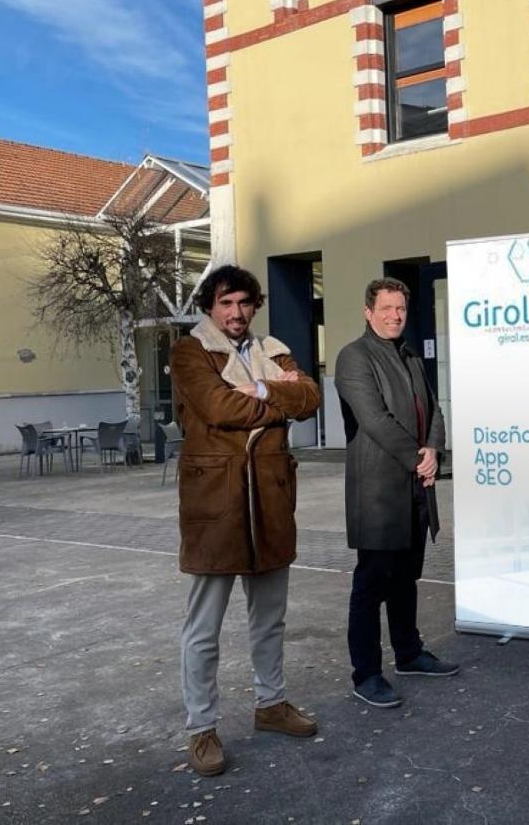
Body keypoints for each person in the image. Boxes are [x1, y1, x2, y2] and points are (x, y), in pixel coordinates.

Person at [171, 265, 322, 777]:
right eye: (225, 303)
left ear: (255, 305)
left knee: (270, 617)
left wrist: (258, 391)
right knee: (204, 627)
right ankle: (201, 727)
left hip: (271, 500)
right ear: (210, 308)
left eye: (243, 303)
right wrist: (274, 395)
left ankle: (271, 704)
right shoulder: (190, 351)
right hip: (216, 503)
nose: (236, 313)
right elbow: (217, 407)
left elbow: (311, 398)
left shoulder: (273, 347)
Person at [336, 278, 457, 708]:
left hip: (414, 487)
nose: (395, 316)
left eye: (400, 308)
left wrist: (434, 448)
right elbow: (374, 419)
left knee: (406, 577)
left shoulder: (409, 354)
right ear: (368, 312)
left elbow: (434, 408)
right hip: (378, 491)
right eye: (386, 308)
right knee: (372, 582)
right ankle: (366, 673)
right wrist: (417, 457)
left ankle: (408, 652)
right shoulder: (354, 357)